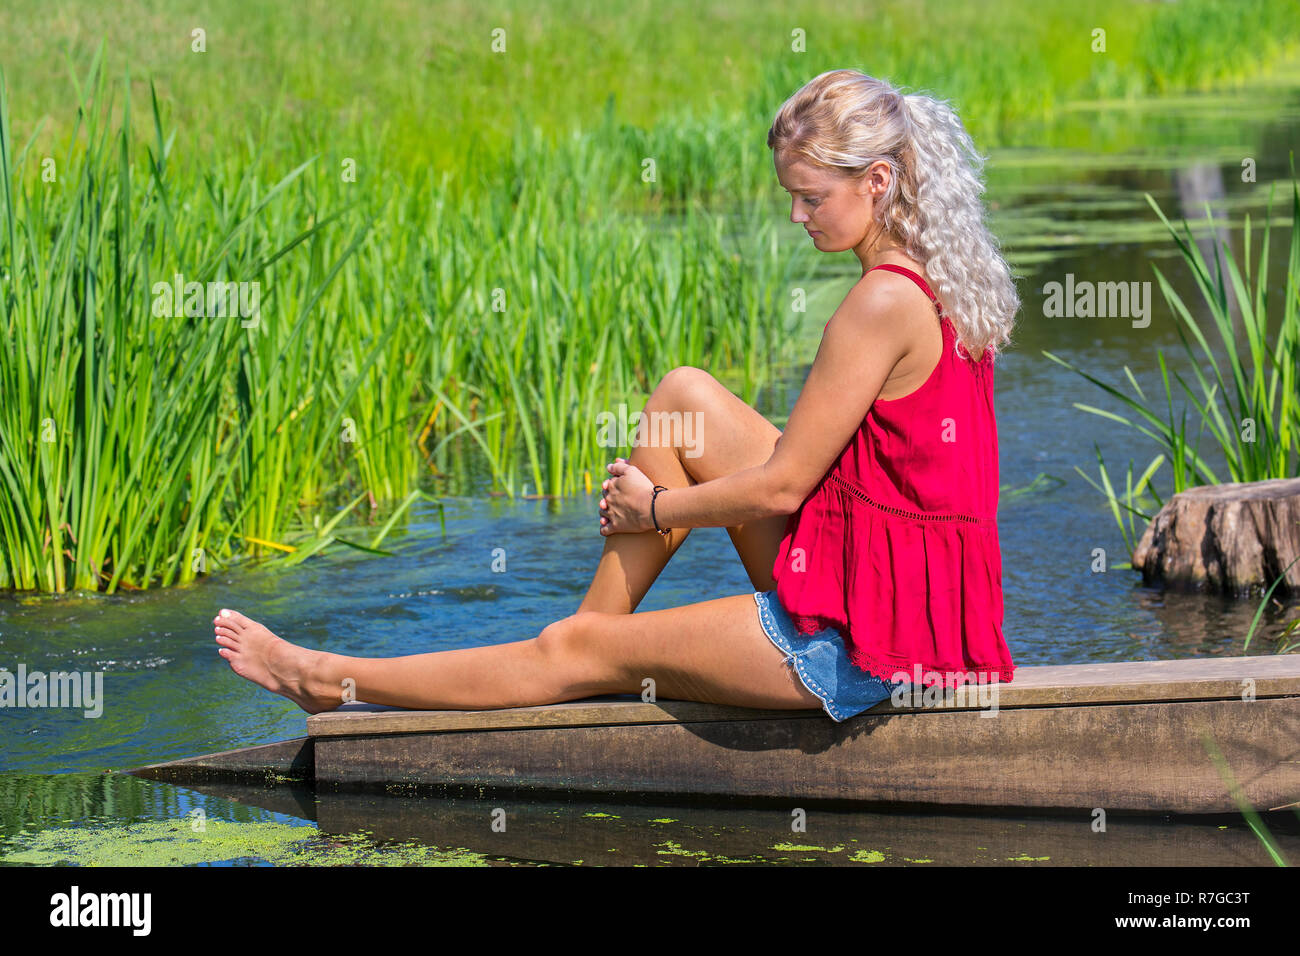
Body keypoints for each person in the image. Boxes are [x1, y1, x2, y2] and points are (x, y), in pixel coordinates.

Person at [214, 68, 1020, 719]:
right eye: (791, 195)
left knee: (574, 652)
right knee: (684, 398)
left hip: (864, 647)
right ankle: (582, 646)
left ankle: (337, 678)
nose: (796, 215)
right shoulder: (937, 276)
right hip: (887, 594)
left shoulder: (878, 302)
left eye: (812, 197)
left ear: (877, 181)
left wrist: (653, 510)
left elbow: (782, 485)